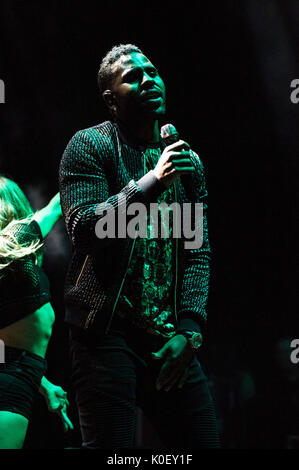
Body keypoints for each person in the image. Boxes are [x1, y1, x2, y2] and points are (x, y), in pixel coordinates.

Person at [59, 44, 220, 448]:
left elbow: (196, 249)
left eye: (153, 72)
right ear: (111, 99)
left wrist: (190, 330)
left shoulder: (187, 162)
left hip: (169, 337)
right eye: (133, 77)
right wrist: (151, 183)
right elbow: (87, 229)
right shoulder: (89, 146)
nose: (149, 80)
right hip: (106, 335)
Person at [0, 176, 73, 449]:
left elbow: (2, 347)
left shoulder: (13, 263)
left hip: (18, 377)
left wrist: (41, 383)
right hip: (9, 384)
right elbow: (56, 205)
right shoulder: (10, 244)